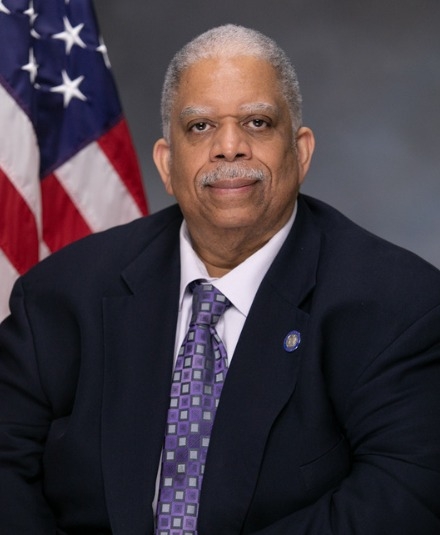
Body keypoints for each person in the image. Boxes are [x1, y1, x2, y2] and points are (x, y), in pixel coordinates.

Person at [1, 23, 440, 535]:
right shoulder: (59, 295)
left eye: (257, 122)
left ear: (300, 152)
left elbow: (404, 496)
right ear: (167, 163)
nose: (229, 147)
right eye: (200, 127)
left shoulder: (401, 306)